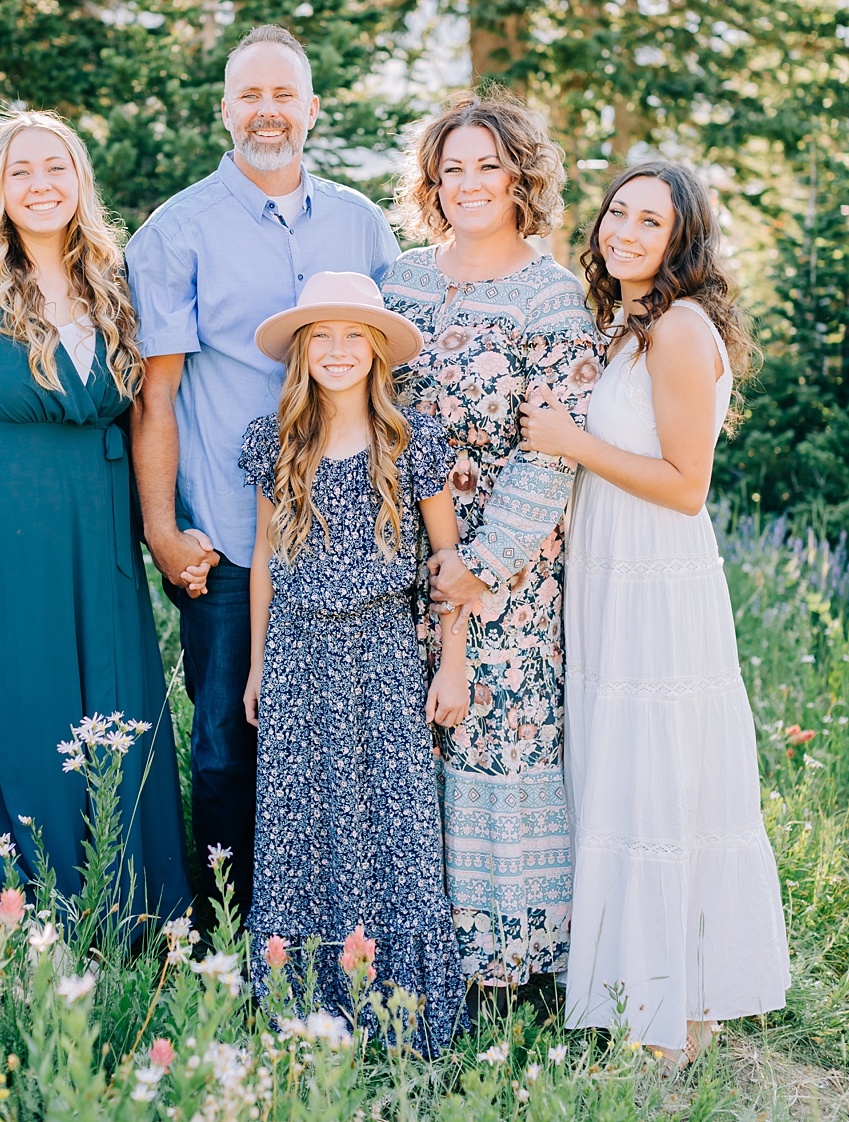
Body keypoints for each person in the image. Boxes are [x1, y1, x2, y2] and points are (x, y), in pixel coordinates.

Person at [519, 160, 790, 1063]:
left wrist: (570, 441)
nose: (627, 233)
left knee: (664, 777)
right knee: (626, 773)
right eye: (619, 214)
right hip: (608, 570)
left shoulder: (677, 327)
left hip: (656, 574)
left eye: (652, 223)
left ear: (682, 242)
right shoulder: (625, 325)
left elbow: (685, 487)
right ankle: (659, 998)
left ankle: (675, 1014)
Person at [125, 26, 398, 913]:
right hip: (237, 543)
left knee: (354, 745)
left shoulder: (362, 224)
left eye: (284, 95)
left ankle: (334, 930)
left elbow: (399, 372)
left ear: (312, 109)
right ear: (225, 109)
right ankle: (228, 944)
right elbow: (155, 398)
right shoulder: (176, 232)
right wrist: (164, 530)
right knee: (228, 745)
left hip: (357, 538)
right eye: (250, 95)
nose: (267, 112)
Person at [0, 108, 191, 918]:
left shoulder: (113, 283)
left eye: (54, 168)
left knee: (114, 710)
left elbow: (150, 411)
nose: (40, 185)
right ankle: (43, 911)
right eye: (21, 171)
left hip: (99, 544)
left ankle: (136, 915)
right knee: (29, 717)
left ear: (79, 182)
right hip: (2, 548)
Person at [381, 92, 601, 987]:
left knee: (490, 733)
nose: (469, 183)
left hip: (501, 563)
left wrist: (479, 568)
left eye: (487, 165)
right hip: (396, 553)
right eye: (452, 168)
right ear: (432, 183)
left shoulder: (550, 297)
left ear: (522, 175)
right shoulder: (398, 279)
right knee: (406, 738)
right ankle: (409, 947)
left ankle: (503, 965)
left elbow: (554, 454)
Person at [239, 271, 468, 1051]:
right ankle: (305, 1014)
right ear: (303, 353)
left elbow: (448, 565)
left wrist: (453, 665)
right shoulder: (273, 442)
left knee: (392, 825)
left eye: (353, 338)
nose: (338, 352)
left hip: (384, 656)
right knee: (301, 824)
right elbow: (264, 562)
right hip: (299, 656)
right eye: (322, 338)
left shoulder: (413, 441)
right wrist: (256, 666)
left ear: (376, 351)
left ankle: (401, 1020)